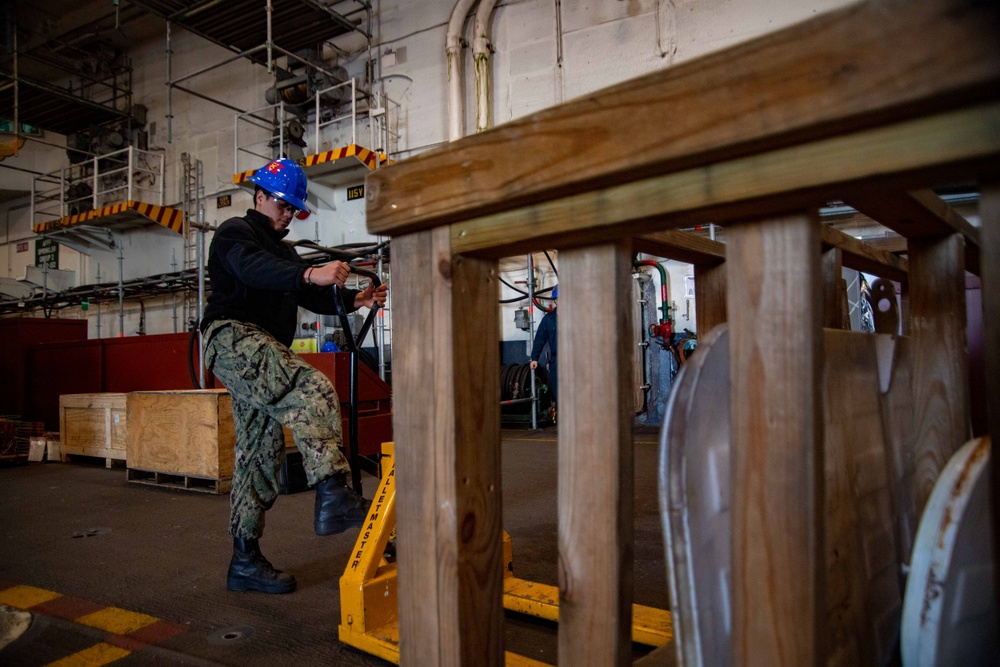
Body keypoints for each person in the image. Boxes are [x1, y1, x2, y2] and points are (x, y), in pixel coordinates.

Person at [200, 158, 388, 595]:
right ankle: (333, 494)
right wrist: (308, 271)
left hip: (262, 348)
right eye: (282, 204)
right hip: (231, 337)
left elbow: (310, 292)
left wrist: (354, 298)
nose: (287, 214)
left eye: (294, 209)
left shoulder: (284, 252)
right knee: (312, 387)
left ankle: (244, 561)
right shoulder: (235, 233)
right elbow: (252, 269)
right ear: (260, 196)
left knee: (258, 454)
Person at [529, 284, 558, 408]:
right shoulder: (548, 319)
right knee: (558, 391)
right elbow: (540, 338)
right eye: (559, 298)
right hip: (556, 361)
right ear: (555, 300)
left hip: (574, 360)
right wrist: (534, 358)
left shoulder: (576, 318)